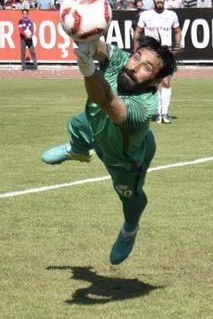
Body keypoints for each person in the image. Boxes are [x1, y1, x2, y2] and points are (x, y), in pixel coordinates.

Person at [41, 34, 177, 265]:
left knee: (130, 198)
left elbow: (105, 100)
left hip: (123, 157)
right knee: (78, 123)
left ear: (155, 81)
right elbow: (101, 49)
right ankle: (79, 149)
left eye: (146, 67)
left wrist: (88, 69)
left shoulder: (143, 107)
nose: (134, 67)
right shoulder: (124, 63)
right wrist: (85, 38)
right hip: (100, 127)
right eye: (136, 58)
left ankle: (129, 230)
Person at [132, 0, 182, 124]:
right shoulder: (146, 15)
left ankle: (165, 113)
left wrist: (177, 46)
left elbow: (177, 31)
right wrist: (136, 50)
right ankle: (158, 113)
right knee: (153, 84)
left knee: (166, 82)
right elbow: (137, 33)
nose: (159, 0)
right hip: (150, 54)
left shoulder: (172, 15)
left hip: (166, 53)